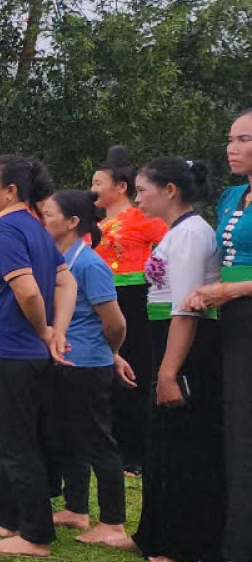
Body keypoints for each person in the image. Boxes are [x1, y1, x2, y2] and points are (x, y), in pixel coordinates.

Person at [0, 155, 76, 558]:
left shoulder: (7, 230)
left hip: (9, 349)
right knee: (13, 435)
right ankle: (7, 517)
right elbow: (65, 281)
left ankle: (35, 534)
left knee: (11, 440)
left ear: (10, 190)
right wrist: (55, 331)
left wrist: (46, 329)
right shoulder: (34, 227)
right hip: (20, 350)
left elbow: (29, 291)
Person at [132, 157, 225, 562]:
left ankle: (185, 545)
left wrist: (169, 372)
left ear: (170, 190)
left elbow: (186, 309)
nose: (137, 198)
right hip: (162, 339)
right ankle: (155, 533)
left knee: (184, 445)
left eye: (142, 190)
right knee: (162, 443)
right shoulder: (176, 233)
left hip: (184, 346)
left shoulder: (191, 235)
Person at [41, 190, 137, 550]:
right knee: (67, 435)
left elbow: (115, 322)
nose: (44, 220)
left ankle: (113, 522)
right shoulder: (59, 259)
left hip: (87, 363)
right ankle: (76, 508)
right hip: (62, 359)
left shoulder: (89, 264)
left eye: (49, 214)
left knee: (97, 440)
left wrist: (110, 354)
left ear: (72, 222)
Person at [185, 107, 252, 562]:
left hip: (242, 307)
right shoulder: (231, 196)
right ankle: (229, 542)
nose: (233, 148)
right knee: (232, 430)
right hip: (226, 319)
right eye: (231, 138)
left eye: (245, 139)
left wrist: (229, 290)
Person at [91, 146, 169, 477]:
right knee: (103, 367)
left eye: (98, 182)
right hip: (99, 298)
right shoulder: (93, 223)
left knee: (134, 368)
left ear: (120, 187)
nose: (92, 188)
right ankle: (106, 445)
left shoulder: (142, 219)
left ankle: (134, 452)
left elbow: (169, 244)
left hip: (134, 298)